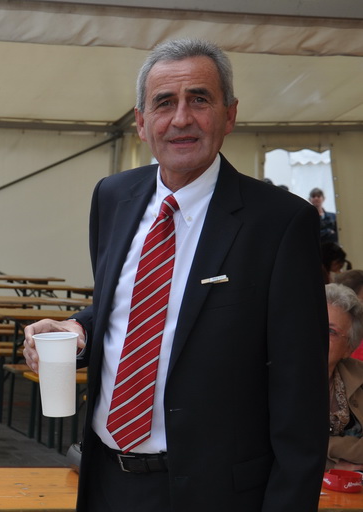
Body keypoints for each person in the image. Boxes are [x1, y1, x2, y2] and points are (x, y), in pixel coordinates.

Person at [23, 39, 329, 511]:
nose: (181, 118)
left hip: (215, 494)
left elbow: (300, 393)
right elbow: (131, 308)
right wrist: (78, 329)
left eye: (199, 99)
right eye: (164, 102)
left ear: (230, 114)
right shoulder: (113, 196)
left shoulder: (280, 222)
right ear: (141, 122)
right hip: (106, 481)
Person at [325, 283, 363, 470]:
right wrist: (335, 468)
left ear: (349, 347)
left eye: (330, 331)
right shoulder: (273, 377)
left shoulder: (359, 373)